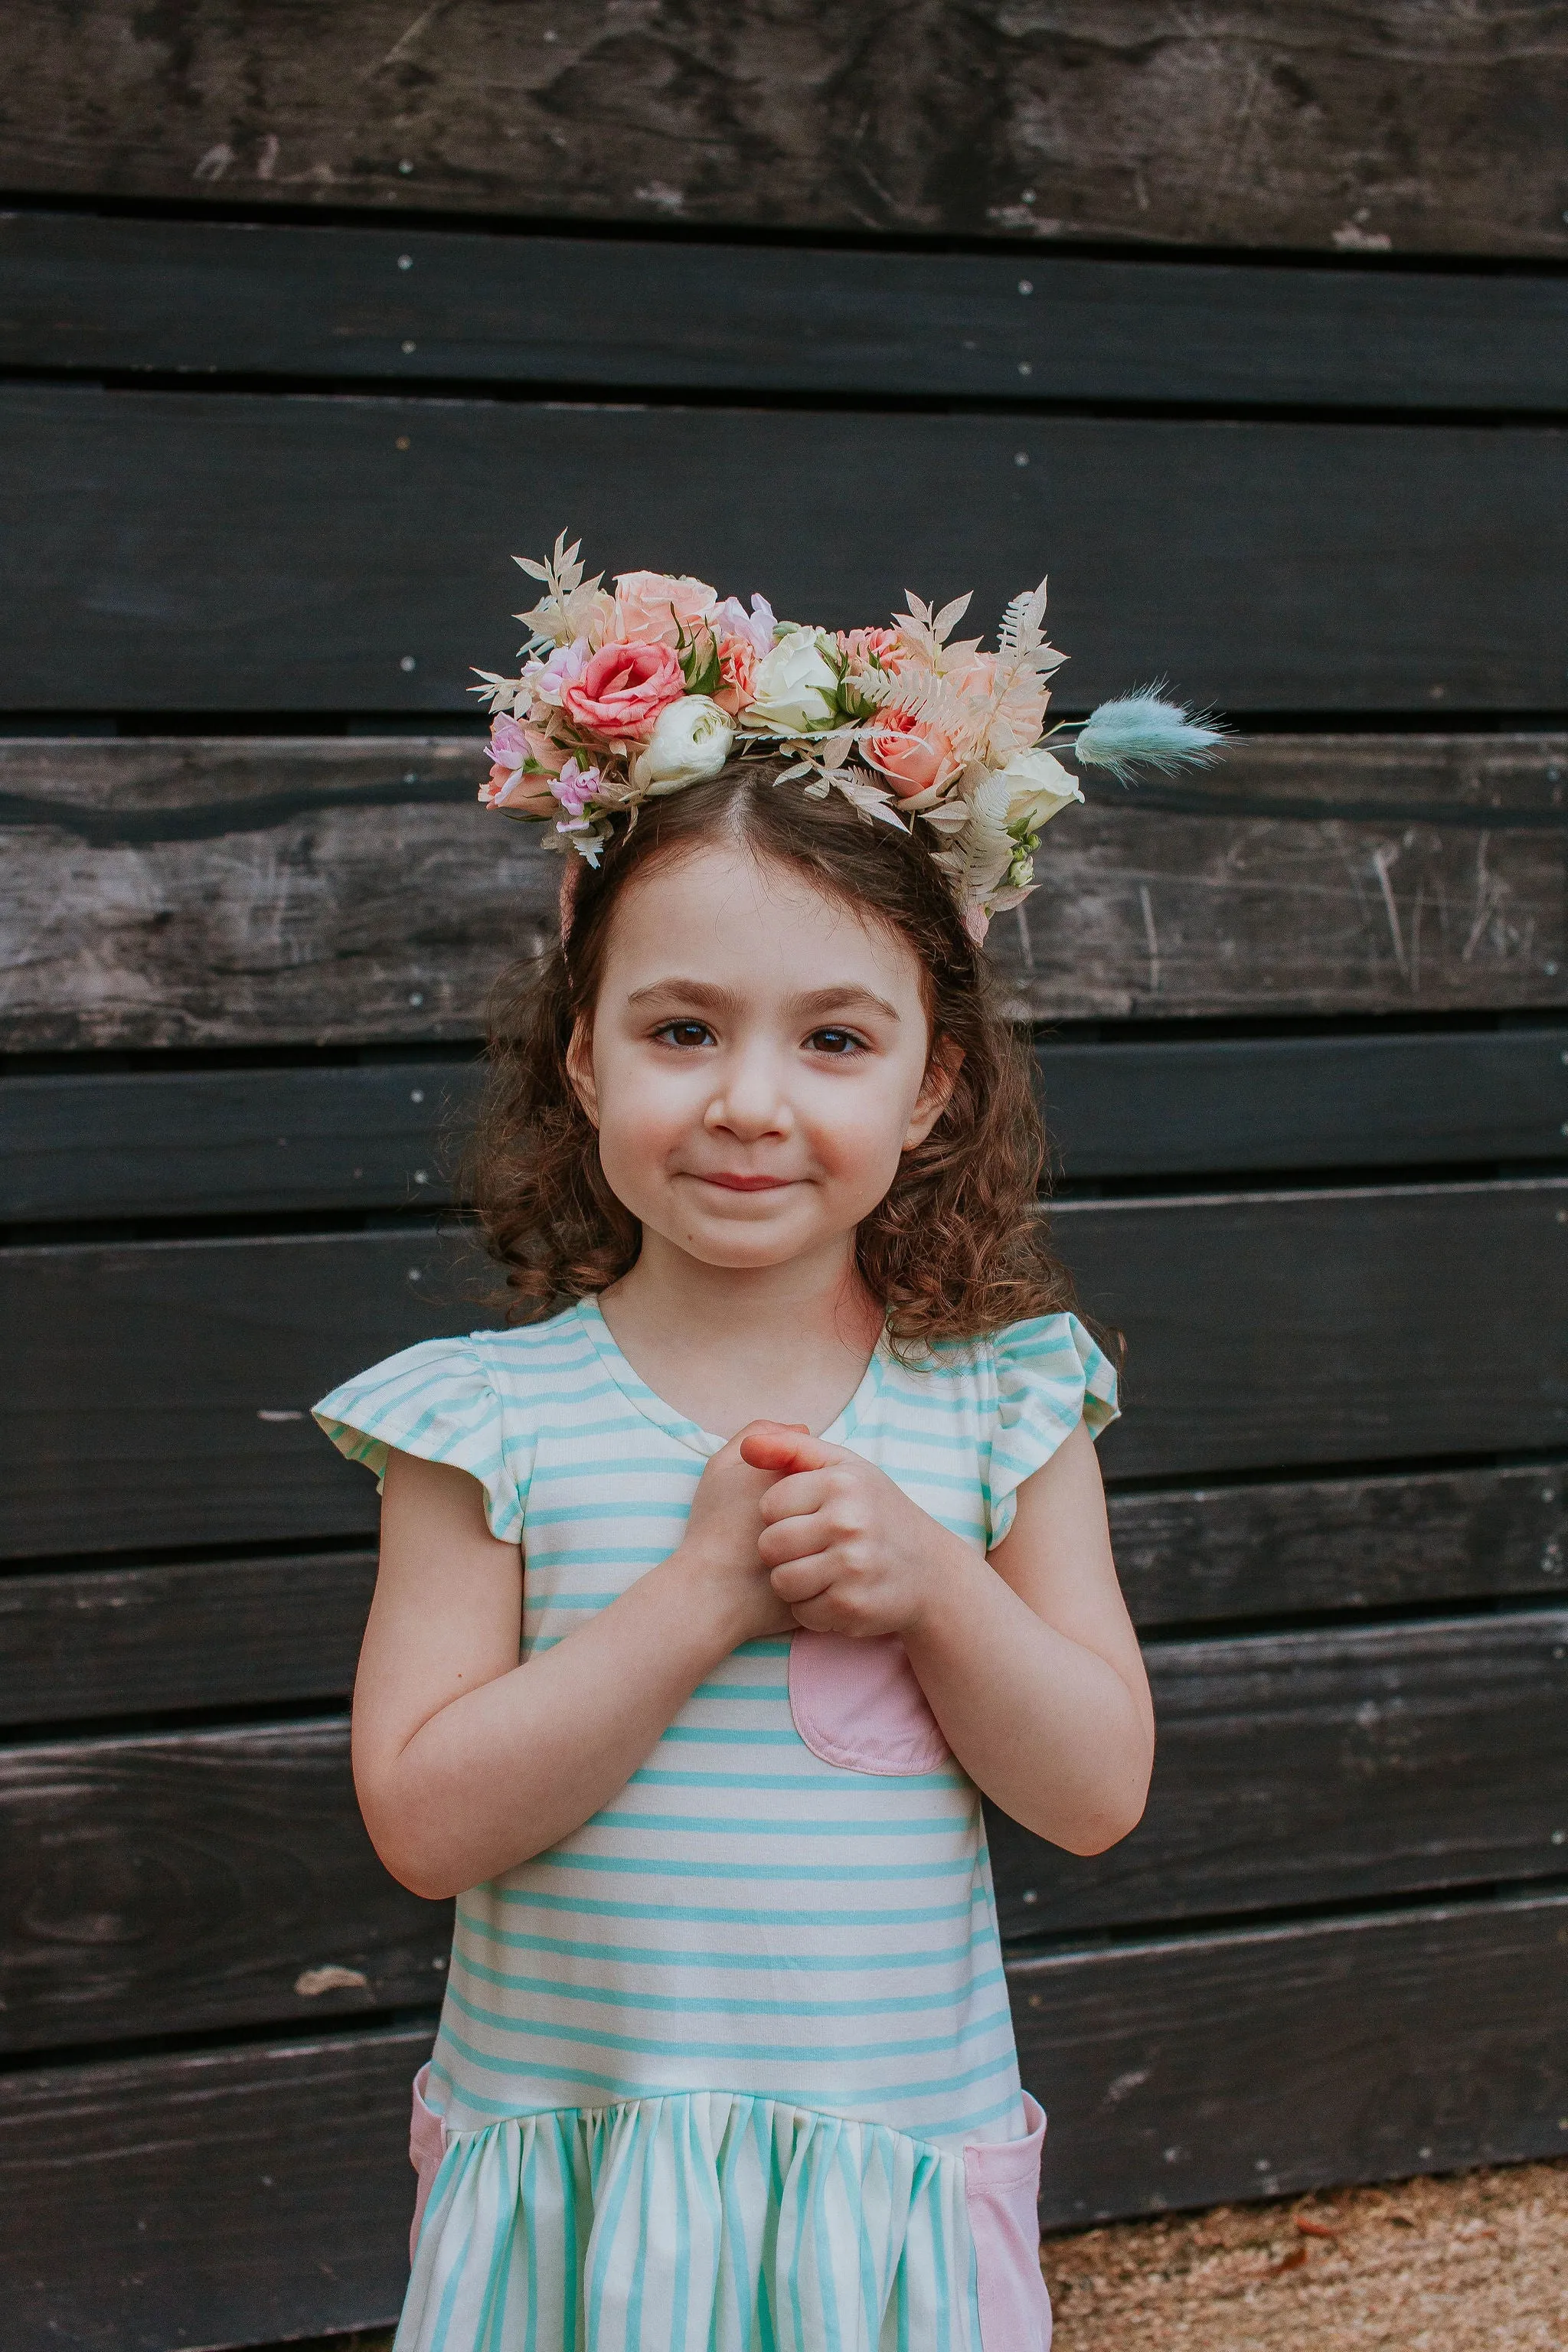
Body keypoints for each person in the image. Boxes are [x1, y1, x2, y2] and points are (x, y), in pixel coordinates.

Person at [315, 546, 1217, 2350]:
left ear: (931, 1081)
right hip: (578, 2205)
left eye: (831, 1038)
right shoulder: (477, 1426)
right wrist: (702, 1591)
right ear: (581, 1056)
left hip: (875, 2201)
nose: (747, 1098)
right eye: (679, 1029)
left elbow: (1095, 1788)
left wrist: (938, 1589)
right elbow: (422, 1824)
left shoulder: (1001, 1406)